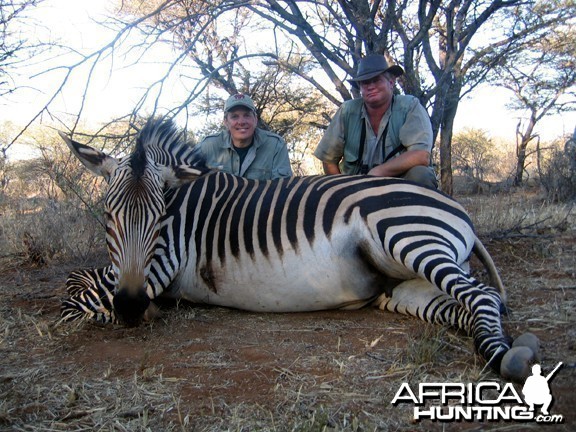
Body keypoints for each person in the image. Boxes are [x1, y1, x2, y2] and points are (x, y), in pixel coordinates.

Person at [314, 54, 437, 189]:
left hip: (399, 187)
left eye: (376, 80)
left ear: (391, 82)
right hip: (356, 189)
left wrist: (376, 173)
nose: (370, 86)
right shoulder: (347, 111)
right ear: (360, 87)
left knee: (421, 174)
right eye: (365, 82)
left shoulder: (409, 106)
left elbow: (420, 155)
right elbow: (328, 160)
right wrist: (342, 190)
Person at [198, 94, 293, 180]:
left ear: (255, 119)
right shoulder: (207, 146)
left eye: (247, 115)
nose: (241, 122)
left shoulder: (276, 145)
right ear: (226, 122)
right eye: (234, 116)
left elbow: (283, 189)